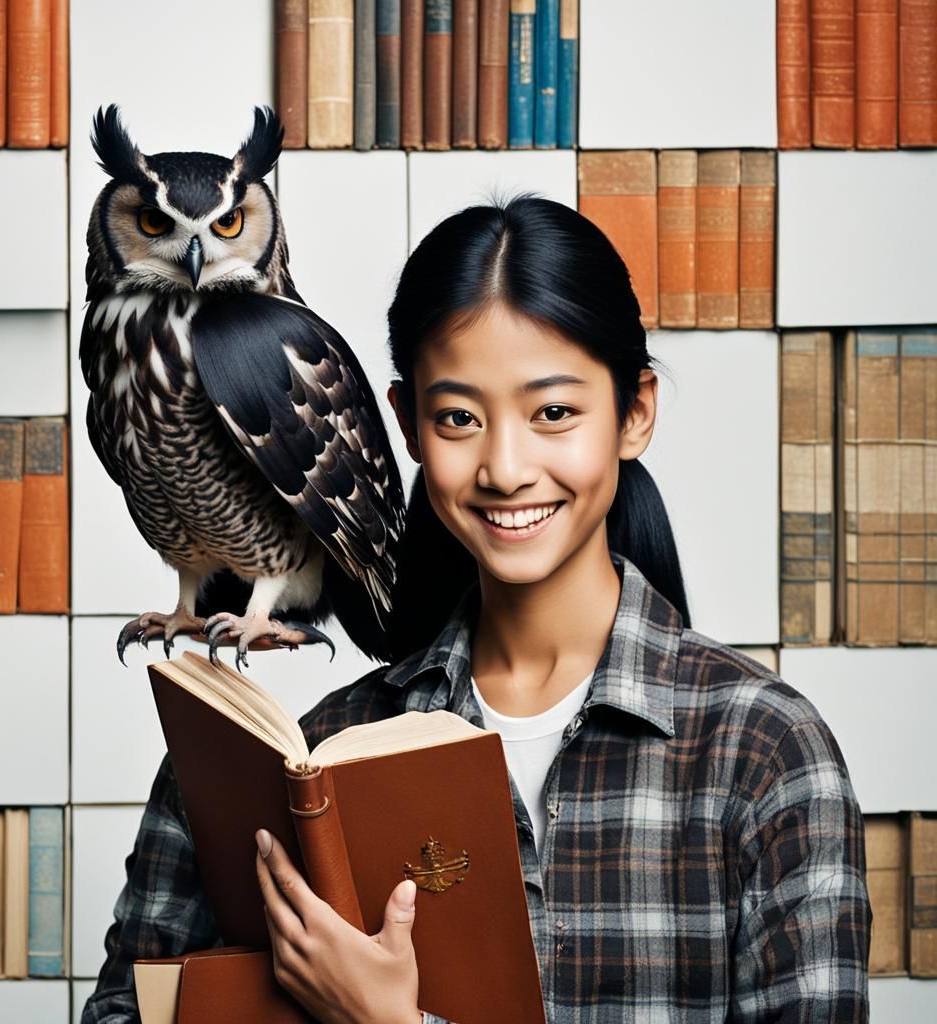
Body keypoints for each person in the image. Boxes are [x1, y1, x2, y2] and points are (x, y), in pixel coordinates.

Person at [81, 195, 871, 1023]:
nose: (504, 466)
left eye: (554, 413)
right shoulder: (295, 762)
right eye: (458, 417)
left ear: (635, 412)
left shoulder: (764, 755)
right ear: (407, 427)